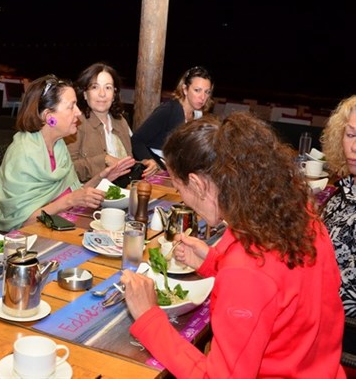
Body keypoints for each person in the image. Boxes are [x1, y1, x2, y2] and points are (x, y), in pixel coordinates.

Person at [121, 112, 345, 378]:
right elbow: (280, 287)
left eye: (180, 189)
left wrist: (148, 317)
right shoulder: (299, 213)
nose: (182, 197)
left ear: (198, 183)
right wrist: (213, 262)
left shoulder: (246, 271)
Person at [0, 74, 134, 231]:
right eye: (71, 106)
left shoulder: (58, 146)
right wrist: (69, 201)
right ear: (49, 117)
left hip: (57, 227)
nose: (78, 113)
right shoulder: (23, 155)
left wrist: (102, 178)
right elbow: (21, 223)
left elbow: (74, 193)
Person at [65, 62, 159, 185]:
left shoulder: (120, 122)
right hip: (89, 194)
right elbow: (66, 171)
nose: (102, 94)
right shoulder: (75, 123)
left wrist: (145, 165)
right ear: (84, 94)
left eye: (108, 87)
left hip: (123, 192)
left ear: (114, 94)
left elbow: (123, 164)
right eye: (95, 87)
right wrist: (104, 159)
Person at [321, 96, 356, 353]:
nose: (354, 147)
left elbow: (346, 292)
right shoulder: (345, 189)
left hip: (340, 328)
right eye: (351, 134)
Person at [131, 66, 213, 168]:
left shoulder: (198, 116)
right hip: (157, 169)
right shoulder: (168, 110)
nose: (203, 97)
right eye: (197, 90)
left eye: (207, 92)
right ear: (185, 89)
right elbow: (136, 140)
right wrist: (150, 162)